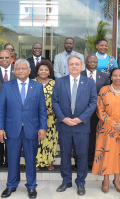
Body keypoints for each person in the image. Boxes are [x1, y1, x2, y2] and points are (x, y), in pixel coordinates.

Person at [0, 59, 47, 198]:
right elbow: (1, 109)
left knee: (31, 159)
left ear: (29, 71)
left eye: (24, 68)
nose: (21, 71)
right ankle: (11, 186)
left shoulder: (37, 86)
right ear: (14, 71)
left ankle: (31, 186)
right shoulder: (7, 86)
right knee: (12, 159)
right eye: (18, 68)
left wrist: (43, 127)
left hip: (32, 128)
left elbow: (42, 109)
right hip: (12, 128)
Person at [52, 55, 97, 196]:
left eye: (77, 64)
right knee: (65, 154)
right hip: (64, 125)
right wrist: (63, 118)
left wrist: (80, 119)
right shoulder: (59, 82)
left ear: (82, 66)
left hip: (81, 126)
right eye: (71, 64)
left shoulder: (89, 83)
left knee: (82, 155)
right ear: (67, 66)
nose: (74, 66)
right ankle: (66, 181)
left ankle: (80, 182)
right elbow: (55, 102)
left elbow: (93, 102)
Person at [80, 54, 109, 167]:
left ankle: (92, 161)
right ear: (85, 63)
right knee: (82, 137)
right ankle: (80, 161)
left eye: (95, 62)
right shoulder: (80, 75)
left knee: (94, 137)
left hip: (97, 112)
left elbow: (106, 94)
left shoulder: (104, 76)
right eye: (90, 62)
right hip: (82, 112)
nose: (92, 64)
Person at [33, 60, 58, 171]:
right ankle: (37, 162)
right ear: (37, 71)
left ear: (49, 72)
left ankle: (48, 161)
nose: (43, 71)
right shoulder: (31, 83)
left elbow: (59, 100)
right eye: (41, 69)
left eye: (46, 70)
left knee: (49, 139)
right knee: (36, 139)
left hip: (51, 117)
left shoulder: (55, 83)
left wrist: (51, 111)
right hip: (34, 117)